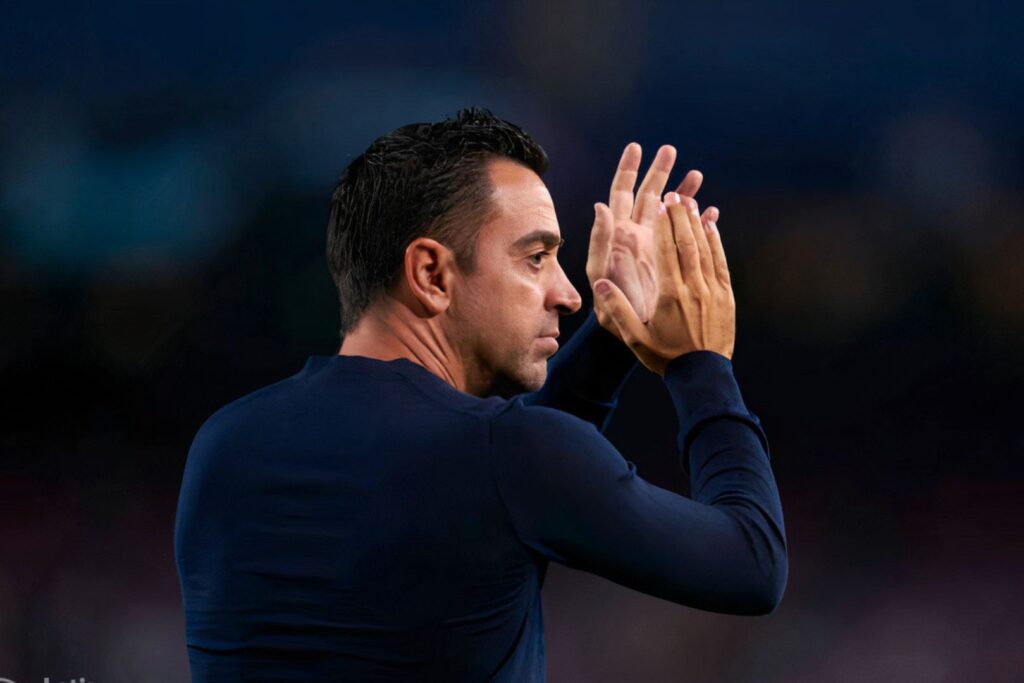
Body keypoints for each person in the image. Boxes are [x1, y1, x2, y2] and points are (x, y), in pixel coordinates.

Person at [174, 108, 787, 681]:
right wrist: (700, 366)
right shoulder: (507, 459)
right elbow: (752, 565)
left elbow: (483, 479)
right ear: (432, 275)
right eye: (537, 258)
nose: (569, 294)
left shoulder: (224, 445)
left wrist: (613, 330)